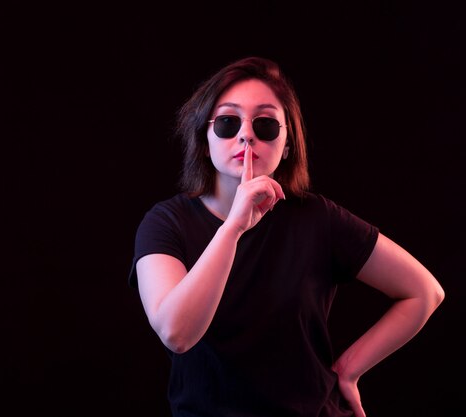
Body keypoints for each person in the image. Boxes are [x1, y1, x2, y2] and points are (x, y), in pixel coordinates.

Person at [128, 56, 445, 417]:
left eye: (265, 125)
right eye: (228, 123)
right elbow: (176, 333)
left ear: (288, 146)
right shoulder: (166, 223)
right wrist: (233, 226)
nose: (246, 134)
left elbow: (425, 291)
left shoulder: (318, 218)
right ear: (204, 141)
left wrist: (349, 369)